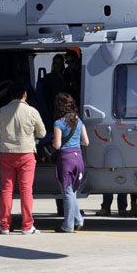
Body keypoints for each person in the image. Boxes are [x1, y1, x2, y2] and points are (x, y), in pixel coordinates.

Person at [0, 82, 47, 234]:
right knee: (26, 190)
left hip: (6, 153)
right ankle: (27, 226)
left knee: (6, 190)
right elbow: (42, 133)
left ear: (10, 96)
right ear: (25, 95)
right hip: (26, 153)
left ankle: (4, 225)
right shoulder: (32, 111)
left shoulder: (1, 111)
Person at [52, 92, 89, 233]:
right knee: (72, 191)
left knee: (67, 192)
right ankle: (78, 219)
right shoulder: (79, 121)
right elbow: (86, 142)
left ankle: (68, 225)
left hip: (66, 159)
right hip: (78, 158)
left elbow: (56, 145)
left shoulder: (58, 123)